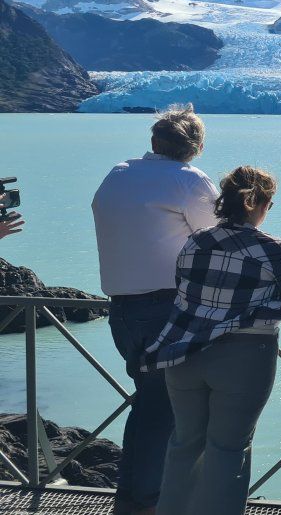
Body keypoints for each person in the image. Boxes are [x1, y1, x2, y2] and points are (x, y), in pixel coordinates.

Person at [143, 165, 281, 515]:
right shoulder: (274, 250)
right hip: (246, 355)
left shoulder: (195, 242)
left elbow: (183, 288)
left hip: (183, 351)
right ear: (261, 204)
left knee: (185, 442)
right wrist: (253, 309)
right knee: (229, 447)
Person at [91, 104, 219, 515]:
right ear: (197, 148)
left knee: (149, 404)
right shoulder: (189, 181)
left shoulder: (118, 172)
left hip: (122, 311)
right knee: (167, 410)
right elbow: (218, 238)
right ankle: (150, 501)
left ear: (153, 143)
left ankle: (131, 497)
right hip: (167, 308)